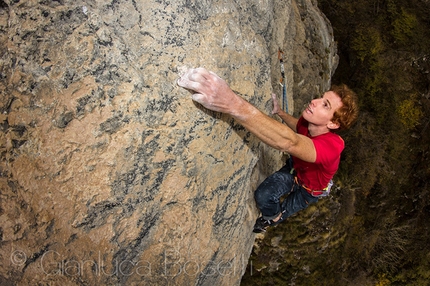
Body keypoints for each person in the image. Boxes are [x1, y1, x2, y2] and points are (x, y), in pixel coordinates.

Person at [177, 67, 359, 233]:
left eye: (325, 105)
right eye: (321, 97)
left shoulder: (333, 146)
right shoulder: (309, 122)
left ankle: (272, 219)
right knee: (264, 196)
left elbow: (291, 143)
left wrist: (230, 103)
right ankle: (272, 213)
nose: (314, 101)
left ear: (333, 123)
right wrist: (280, 113)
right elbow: (298, 127)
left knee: (286, 207)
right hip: (295, 168)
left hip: (309, 190)